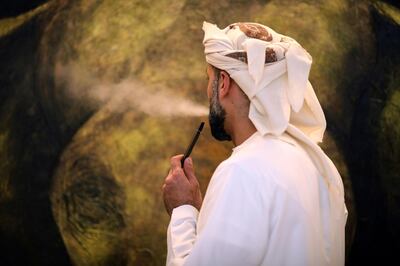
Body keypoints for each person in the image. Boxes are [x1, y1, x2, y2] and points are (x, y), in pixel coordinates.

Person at [162, 21, 348, 266]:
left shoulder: (242, 170)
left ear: (225, 83)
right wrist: (201, 210)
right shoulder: (315, 164)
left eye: (210, 79)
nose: (208, 91)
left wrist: (183, 210)